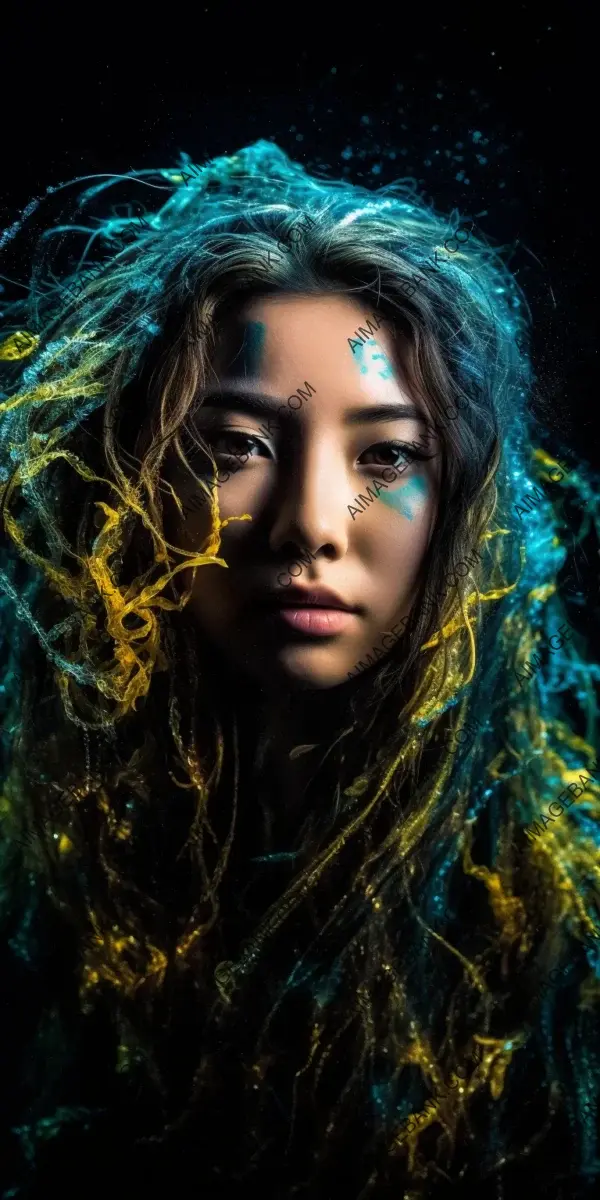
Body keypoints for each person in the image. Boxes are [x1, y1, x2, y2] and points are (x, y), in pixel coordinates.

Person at [1, 139, 599, 1199]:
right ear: (133, 479)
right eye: (235, 446)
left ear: (459, 503)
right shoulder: (28, 902)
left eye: (385, 459)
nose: (314, 525)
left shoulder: (569, 949)